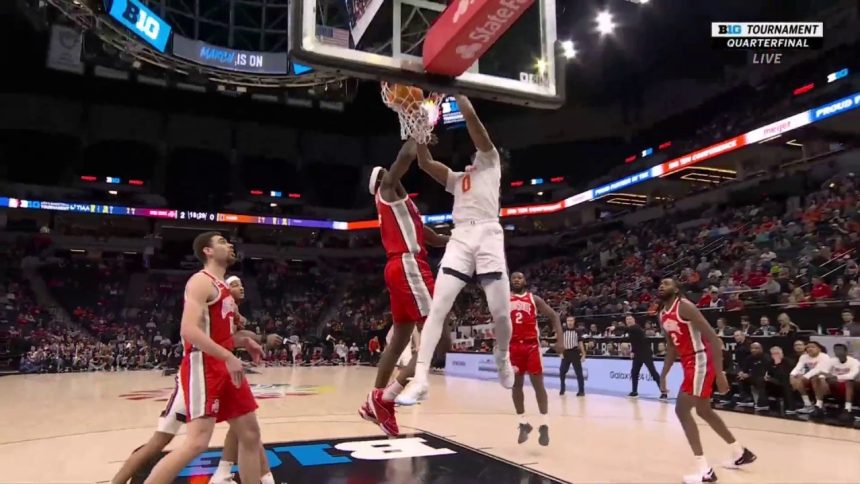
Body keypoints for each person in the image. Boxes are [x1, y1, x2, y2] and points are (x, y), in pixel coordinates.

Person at [397, 95, 515, 405]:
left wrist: (461, 98)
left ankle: (501, 355)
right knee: (438, 308)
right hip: (460, 236)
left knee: (501, 313)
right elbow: (424, 163)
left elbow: (477, 129)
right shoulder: (458, 178)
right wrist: (419, 133)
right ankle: (420, 378)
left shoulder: (490, 163)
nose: (475, 150)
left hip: (488, 233)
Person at [112, 276, 277, 484]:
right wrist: (256, 339)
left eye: (242, 284)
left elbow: (234, 336)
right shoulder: (215, 307)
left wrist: (246, 334)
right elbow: (223, 339)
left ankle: (230, 473)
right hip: (195, 378)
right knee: (165, 442)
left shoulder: (231, 312)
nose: (241, 288)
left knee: (244, 425)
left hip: (213, 374)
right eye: (235, 284)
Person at [144, 232, 264, 484]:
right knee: (197, 442)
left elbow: (219, 334)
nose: (229, 244)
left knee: (250, 434)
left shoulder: (224, 288)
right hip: (203, 365)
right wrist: (227, 356)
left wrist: (244, 341)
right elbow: (188, 330)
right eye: (221, 242)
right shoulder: (201, 281)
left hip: (225, 364)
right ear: (207, 251)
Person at [359, 138, 449, 436]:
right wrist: (419, 130)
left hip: (400, 267)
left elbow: (431, 237)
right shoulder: (387, 193)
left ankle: (375, 398)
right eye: (387, 172)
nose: (392, 173)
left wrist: (456, 241)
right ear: (382, 181)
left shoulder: (403, 207)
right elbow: (406, 155)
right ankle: (388, 397)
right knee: (442, 339)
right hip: (409, 265)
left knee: (399, 339)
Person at [656, 278, 756, 484]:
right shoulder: (662, 315)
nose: (661, 286)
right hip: (688, 362)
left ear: (676, 289)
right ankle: (740, 452)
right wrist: (663, 374)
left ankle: (705, 471)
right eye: (660, 284)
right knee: (703, 410)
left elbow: (714, 339)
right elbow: (672, 348)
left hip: (701, 358)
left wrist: (720, 374)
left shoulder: (685, 307)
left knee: (681, 410)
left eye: (666, 283)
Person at [508, 272, 563, 446]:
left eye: (520, 277)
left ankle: (545, 424)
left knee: (538, 384)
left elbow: (554, 316)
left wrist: (560, 339)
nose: (516, 279)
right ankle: (523, 423)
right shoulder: (504, 299)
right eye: (514, 277)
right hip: (513, 345)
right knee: (516, 385)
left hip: (531, 345)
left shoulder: (534, 299)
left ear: (525, 281)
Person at [625, 314, 666, 398]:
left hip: (645, 353)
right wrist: (633, 351)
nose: (628, 320)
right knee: (634, 372)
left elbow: (628, 330)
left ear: (634, 320)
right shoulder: (631, 330)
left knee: (653, 372)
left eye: (630, 319)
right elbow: (635, 342)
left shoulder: (636, 328)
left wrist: (616, 328)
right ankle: (634, 392)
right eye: (627, 319)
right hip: (637, 354)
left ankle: (664, 392)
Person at [789, 341, 831, 416]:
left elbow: (818, 369)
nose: (809, 349)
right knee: (797, 379)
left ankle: (819, 405)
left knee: (815, 378)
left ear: (819, 349)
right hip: (811, 376)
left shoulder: (824, 356)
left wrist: (805, 377)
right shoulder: (804, 357)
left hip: (825, 376)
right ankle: (807, 404)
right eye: (808, 347)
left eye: (812, 347)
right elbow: (798, 367)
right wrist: (791, 376)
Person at [823, 343, 859, 420]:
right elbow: (824, 372)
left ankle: (847, 409)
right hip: (835, 384)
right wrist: (827, 377)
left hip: (851, 385)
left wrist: (836, 377)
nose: (837, 351)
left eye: (840, 349)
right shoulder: (831, 361)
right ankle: (818, 406)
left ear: (846, 352)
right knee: (820, 379)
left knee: (849, 382)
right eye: (835, 350)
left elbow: (852, 376)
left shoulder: (854, 361)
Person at [558, 316, 585, 396]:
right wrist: (560, 352)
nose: (569, 322)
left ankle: (581, 391)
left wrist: (583, 354)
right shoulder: (562, 330)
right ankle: (562, 388)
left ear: (574, 321)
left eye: (571, 320)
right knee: (562, 372)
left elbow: (580, 343)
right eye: (568, 320)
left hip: (575, 352)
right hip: (565, 352)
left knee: (579, 373)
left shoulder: (578, 331)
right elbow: (559, 342)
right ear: (566, 321)